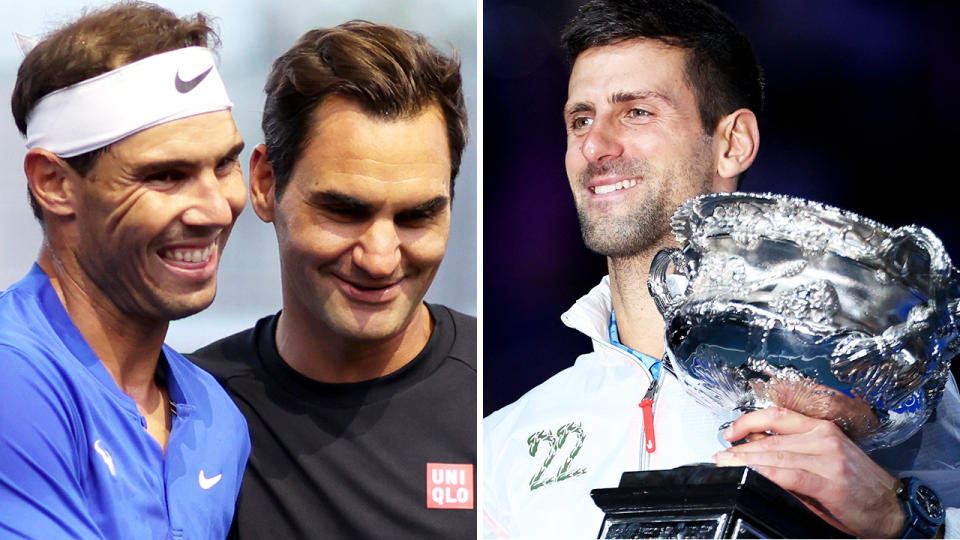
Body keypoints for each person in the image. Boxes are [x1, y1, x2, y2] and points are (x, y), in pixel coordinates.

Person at [483, 0, 960, 538]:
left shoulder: (859, 378)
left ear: (732, 143)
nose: (594, 145)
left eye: (637, 111)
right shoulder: (504, 444)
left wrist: (900, 517)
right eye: (581, 119)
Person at [189, 20, 476, 539]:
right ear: (264, 184)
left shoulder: (509, 397)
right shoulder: (184, 410)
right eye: (344, 211)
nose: (380, 258)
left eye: (416, 217)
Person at [0, 3, 250, 539]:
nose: (216, 208)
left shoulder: (215, 417)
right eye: (165, 175)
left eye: (225, 164)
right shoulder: (12, 374)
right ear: (54, 183)